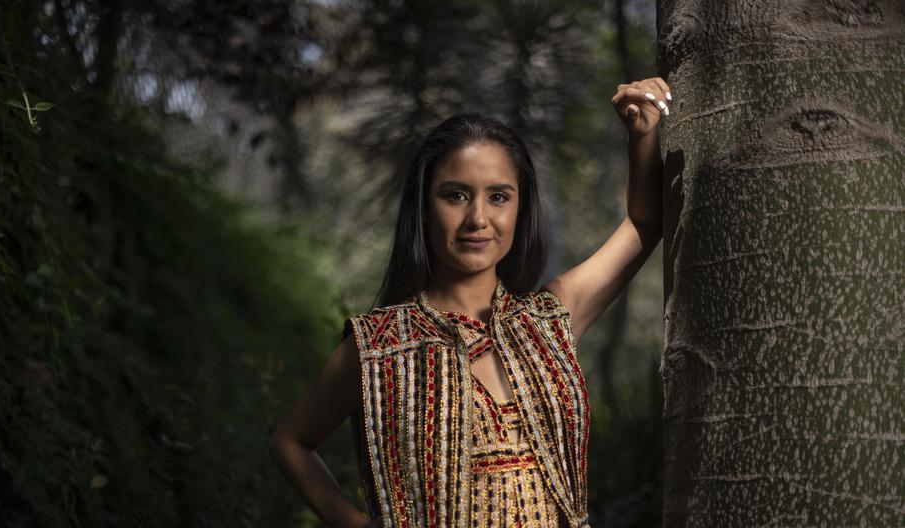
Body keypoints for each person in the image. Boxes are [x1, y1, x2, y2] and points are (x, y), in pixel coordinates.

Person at [268, 77, 669, 528]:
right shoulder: (378, 345)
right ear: (425, 205)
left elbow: (644, 222)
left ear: (521, 207)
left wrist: (642, 134)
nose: (478, 218)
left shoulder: (550, 319)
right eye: (455, 195)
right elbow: (290, 440)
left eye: (498, 196)